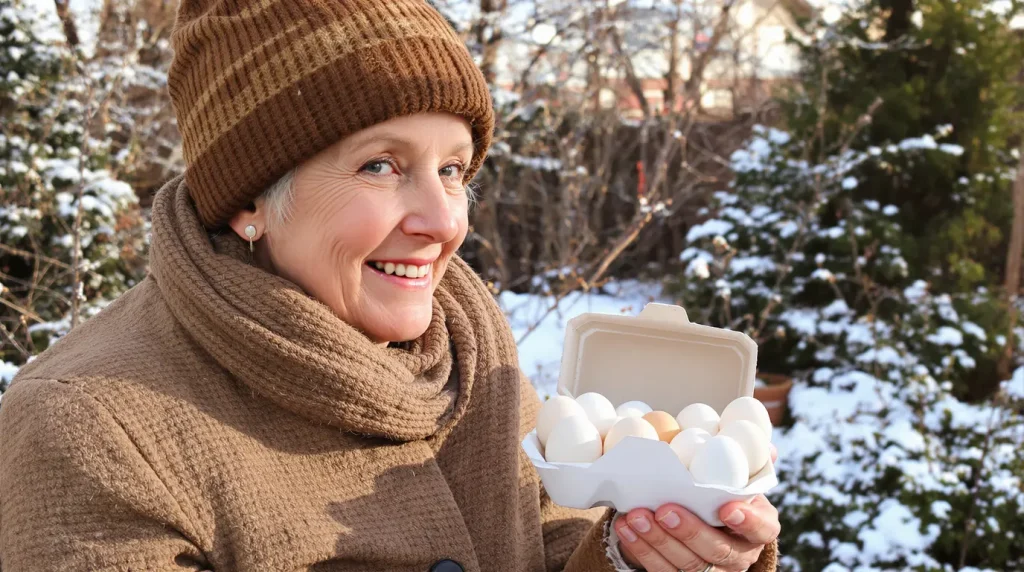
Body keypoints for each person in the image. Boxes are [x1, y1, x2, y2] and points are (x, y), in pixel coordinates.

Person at [0, 1, 780, 571]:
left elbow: (550, 541)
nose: (444, 221)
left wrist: (636, 557)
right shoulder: (88, 430)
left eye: (453, 169)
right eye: (380, 165)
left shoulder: (472, 349)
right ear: (249, 201)